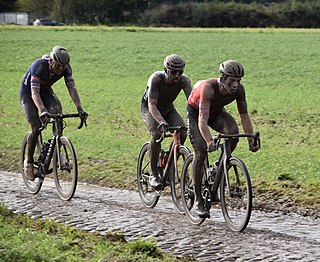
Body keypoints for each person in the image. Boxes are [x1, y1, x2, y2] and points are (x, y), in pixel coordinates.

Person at [187, 60, 260, 218]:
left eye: (238, 81)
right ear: (223, 77)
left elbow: (244, 116)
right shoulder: (208, 88)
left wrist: (250, 139)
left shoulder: (239, 91)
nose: (235, 85)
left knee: (233, 133)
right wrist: (208, 141)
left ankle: (220, 167)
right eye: (232, 80)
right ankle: (198, 199)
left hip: (217, 112)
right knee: (200, 151)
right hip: (197, 114)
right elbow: (202, 120)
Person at [19, 46, 88, 181]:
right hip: (28, 93)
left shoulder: (65, 69)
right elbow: (34, 93)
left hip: (45, 91)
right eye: (57, 66)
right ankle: (28, 162)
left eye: (63, 67)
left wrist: (79, 108)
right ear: (51, 61)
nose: (60, 70)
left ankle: (57, 148)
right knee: (36, 126)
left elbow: (72, 88)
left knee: (58, 115)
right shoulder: (38, 66)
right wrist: (43, 110)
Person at [141, 54, 193, 189]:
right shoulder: (156, 79)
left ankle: (169, 162)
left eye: (180, 72)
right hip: (150, 108)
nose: (177, 75)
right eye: (173, 72)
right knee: (157, 134)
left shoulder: (184, 81)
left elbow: (192, 103)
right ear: (165, 70)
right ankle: (153, 173)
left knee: (182, 133)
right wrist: (161, 122)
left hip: (168, 108)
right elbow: (152, 105)